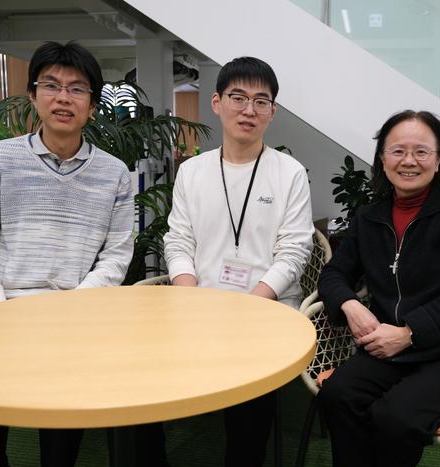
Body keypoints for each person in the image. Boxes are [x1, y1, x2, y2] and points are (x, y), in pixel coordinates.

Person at [0, 41, 135, 467]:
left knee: (64, 407)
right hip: (0, 314)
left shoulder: (114, 174)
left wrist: (71, 312)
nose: (63, 97)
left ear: (92, 105)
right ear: (33, 96)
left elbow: (116, 257)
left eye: (77, 89)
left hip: (74, 317)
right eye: (51, 85)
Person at [317, 110, 440, 467]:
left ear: (439, 160)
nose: (409, 161)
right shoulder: (368, 218)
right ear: (383, 158)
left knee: (395, 418)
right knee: (338, 395)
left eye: (421, 151)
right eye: (398, 150)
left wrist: (409, 332)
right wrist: (351, 306)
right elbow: (333, 275)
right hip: (392, 349)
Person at [162, 56, 314, 466]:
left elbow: (295, 250)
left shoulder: (290, 173)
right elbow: (178, 241)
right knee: (146, 385)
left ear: (272, 111)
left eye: (261, 101)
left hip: (266, 311)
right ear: (216, 102)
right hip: (199, 307)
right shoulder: (192, 172)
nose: (249, 110)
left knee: (249, 407)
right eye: (238, 98)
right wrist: (189, 294)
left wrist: (254, 300)